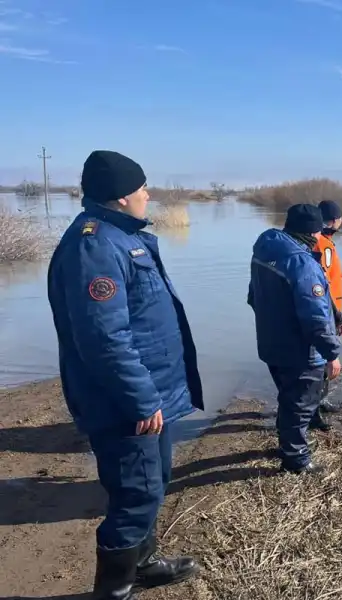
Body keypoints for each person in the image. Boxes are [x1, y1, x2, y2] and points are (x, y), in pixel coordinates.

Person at [46, 150, 203, 599]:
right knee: (135, 496)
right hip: (125, 402)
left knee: (152, 485)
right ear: (120, 197)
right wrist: (140, 399)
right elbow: (103, 339)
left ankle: (144, 564)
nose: (147, 194)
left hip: (150, 393)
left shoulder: (121, 237)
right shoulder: (95, 246)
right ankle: (113, 590)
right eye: (141, 188)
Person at [247, 203, 342, 474]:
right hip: (299, 350)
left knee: (289, 398)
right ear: (313, 233)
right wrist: (332, 354)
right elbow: (315, 318)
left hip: (270, 342)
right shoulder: (301, 263)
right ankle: (296, 459)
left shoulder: (266, 249)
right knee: (299, 405)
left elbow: (253, 297)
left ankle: (289, 443)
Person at [312, 199, 342, 420]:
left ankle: (319, 400)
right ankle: (313, 408)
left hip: (325, 310)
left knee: (320, 359)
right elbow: (322, 285)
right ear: (335, 220)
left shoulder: (321, 242)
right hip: (325, 312)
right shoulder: (323, 245)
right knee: (320, 360)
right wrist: (338, 317)